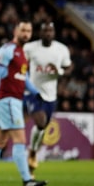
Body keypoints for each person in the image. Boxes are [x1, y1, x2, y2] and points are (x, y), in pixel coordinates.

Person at [0, 20, 48, 186]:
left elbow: (22, 78)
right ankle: (27, 180)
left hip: (15, 100)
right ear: (16, 30)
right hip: (7, 100)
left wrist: (35, 92)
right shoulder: (7, 50)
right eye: (23, 30)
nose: (26, 33)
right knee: (20, 139)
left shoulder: (22, 53)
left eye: (29, 31)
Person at [23, 21, 73, 176]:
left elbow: (69, 67)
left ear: (54, 32)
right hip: (33, 93)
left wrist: (59, 71)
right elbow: (20, 66)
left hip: (51, 95)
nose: (48, 34)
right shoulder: (30, 48)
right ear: (40, 33)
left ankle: (33, 151)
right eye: (45, 31)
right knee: (40, 121)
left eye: (50, 31)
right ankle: (32, 151)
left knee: (42, 128)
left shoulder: (61, 49)